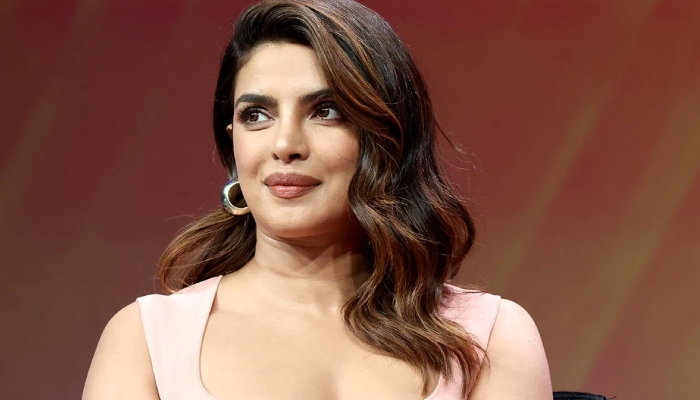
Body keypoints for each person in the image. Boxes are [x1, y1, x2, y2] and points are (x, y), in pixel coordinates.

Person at [82, 0, 552, 399]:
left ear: (386, 137)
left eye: (325, 111)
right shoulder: (147, 340)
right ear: (232, 143)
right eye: (256, 115)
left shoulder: (489, 337)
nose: (285, 144)